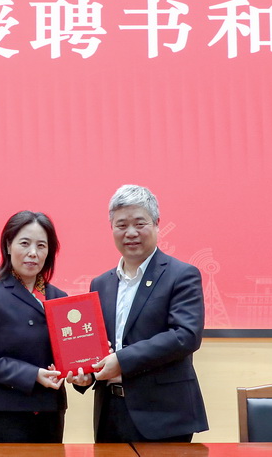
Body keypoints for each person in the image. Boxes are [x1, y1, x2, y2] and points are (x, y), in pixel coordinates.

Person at [70, 184, 208, 442]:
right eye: (121, 225)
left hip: (164, 415)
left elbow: (185, 336)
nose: (130, 232)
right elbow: (97, 345)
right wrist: (86, 374)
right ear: (111, 228)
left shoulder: (182, 275)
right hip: (110, 413)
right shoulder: (101, 284)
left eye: (139, 223)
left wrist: (122, 360)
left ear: (156, 224)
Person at [0, 210, 68, 442]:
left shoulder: (60, 299)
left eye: (41, 245)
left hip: (50, 412)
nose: (33, 253)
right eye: (25, 243)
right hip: (5, 414)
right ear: (9, 245)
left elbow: (71, 352)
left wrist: (84, 374)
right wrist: (33, 374)